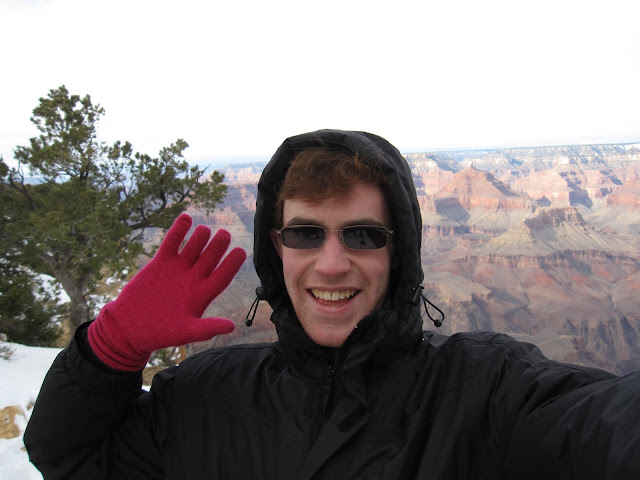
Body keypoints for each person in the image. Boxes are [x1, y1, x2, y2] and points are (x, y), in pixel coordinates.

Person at [24, 129, 640, 479]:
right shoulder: (202, 397)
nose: (332, 262)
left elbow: (602, 427)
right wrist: (109, 348)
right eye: (306, 233)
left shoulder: (486, 390)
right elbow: (70, 456)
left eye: (363, 235)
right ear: (277, 247)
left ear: (400, 251)